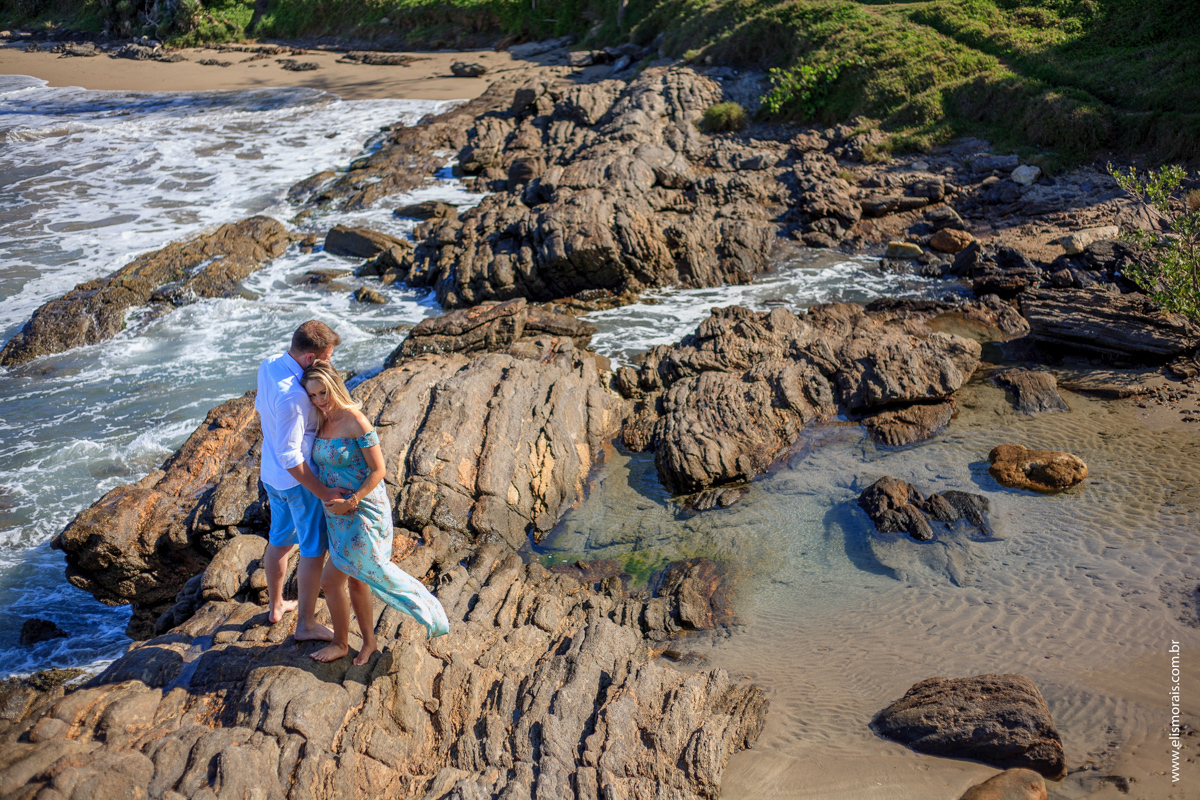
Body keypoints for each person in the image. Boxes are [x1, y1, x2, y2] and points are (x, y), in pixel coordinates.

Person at [300, 360, 450, 664]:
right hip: (337, 516)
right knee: (356, 579)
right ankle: (367, 642)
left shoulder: (357, 421)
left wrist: (351, 501)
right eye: (312, 395)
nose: (318, 400)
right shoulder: (320, 419)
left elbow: (379, 470)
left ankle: (346, 642)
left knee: (333, 580)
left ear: (335, 387)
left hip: (362, 511)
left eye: (322, 393)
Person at [255, 320, 346, 641]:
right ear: (311, 359)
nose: (331, 363)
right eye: (328, 357)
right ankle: (306, 625)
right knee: (312, 548)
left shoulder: (269, 366)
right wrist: (323, 492)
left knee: (279, 539)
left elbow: (260, 410)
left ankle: (276, 604)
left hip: (271, 477)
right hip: (298, 482)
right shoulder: (295, 396)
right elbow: (291, 456)